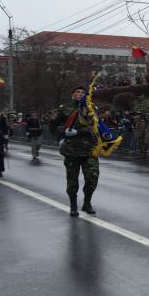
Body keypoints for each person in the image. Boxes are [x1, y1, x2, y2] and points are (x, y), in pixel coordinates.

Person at [53, 86, 99, 216]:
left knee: (92, 178)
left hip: (90, 149)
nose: (80, 94)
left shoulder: (92, 109)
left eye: (83, 92)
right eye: (77, 92)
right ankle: (73, 205)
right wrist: (61, 136)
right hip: (71, 150)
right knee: (72, 180)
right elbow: (53, 124)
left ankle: (87, 203)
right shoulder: (64, 109)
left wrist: (80, 131)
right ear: (73, 95)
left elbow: (97, 127)